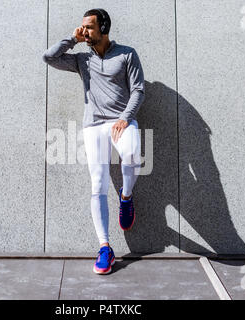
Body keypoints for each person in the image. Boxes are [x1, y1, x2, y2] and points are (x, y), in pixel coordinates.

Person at [42, 8, 145, 274]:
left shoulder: (127, 54)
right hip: (94, 125)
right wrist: (72, 38)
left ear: (104, 27)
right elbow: (49, 57)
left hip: (121, 121)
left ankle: (126, 195)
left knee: (133, 155)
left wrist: (125, 117)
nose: (84, 30)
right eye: (83, 26)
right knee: (97, 183)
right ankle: (105, 248)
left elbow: (138, 90)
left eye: (89, 27)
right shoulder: (82, 61)